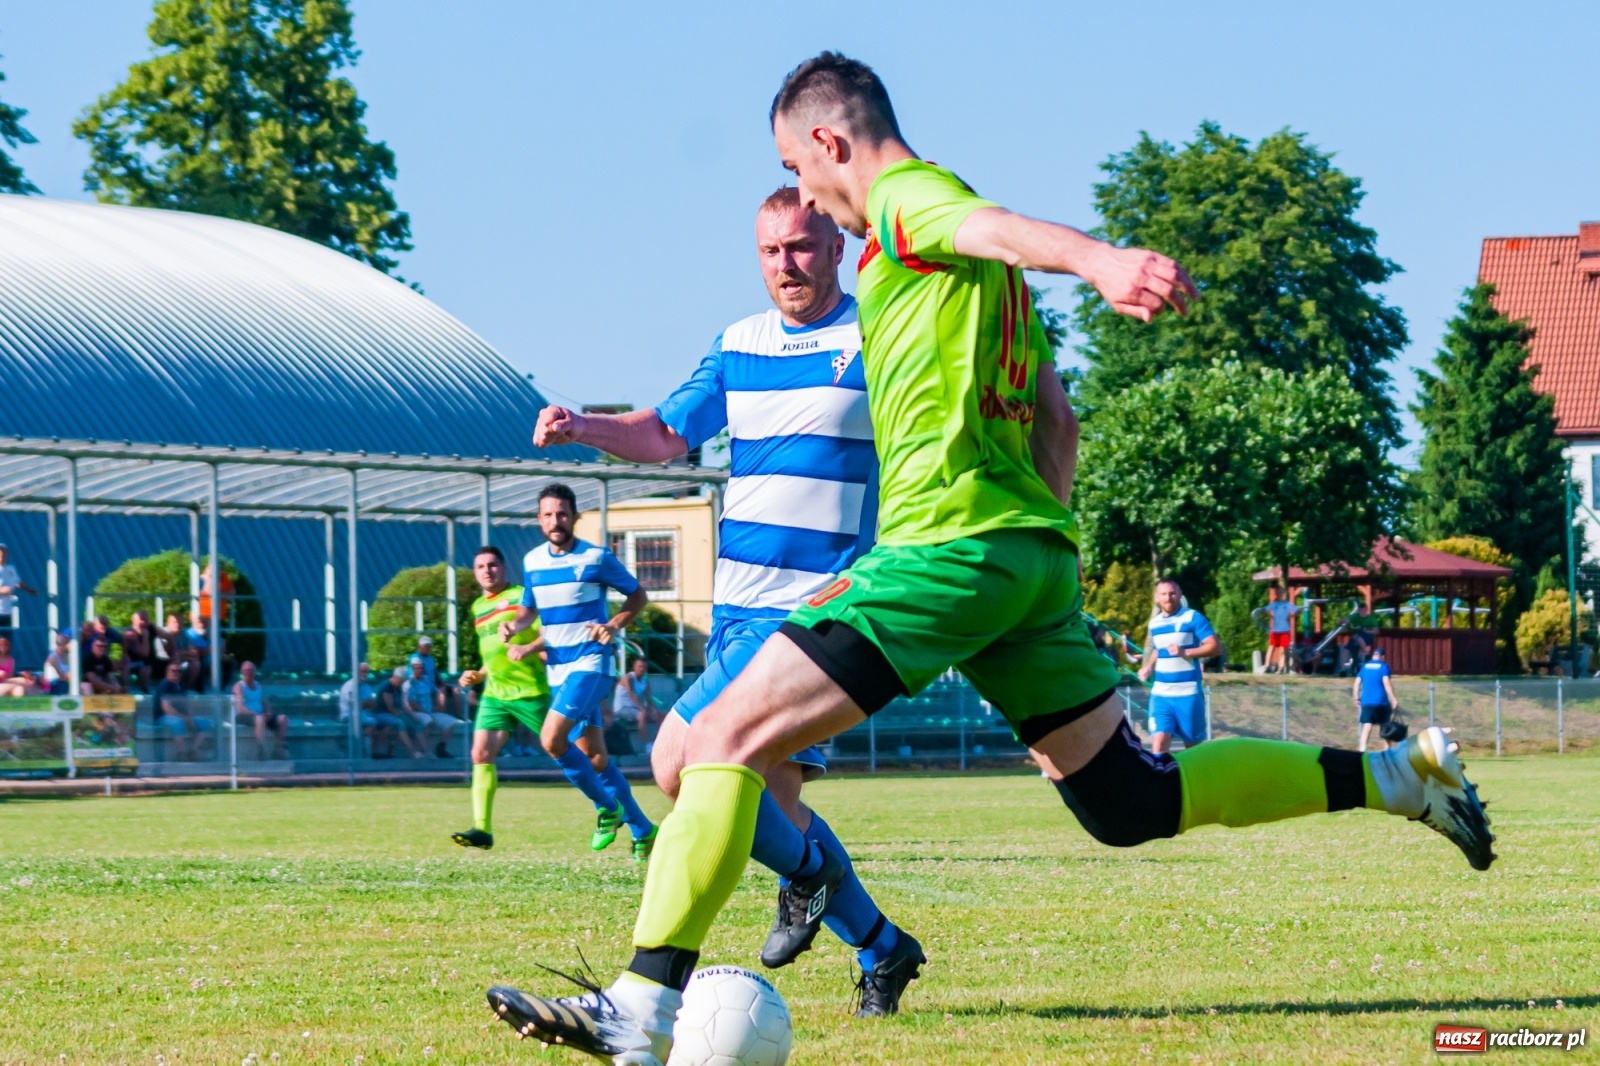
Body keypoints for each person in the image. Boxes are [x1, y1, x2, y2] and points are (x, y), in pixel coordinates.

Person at [486, 53, 1498, 1064]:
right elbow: (1057, 417)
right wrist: (1030, 573)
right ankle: (1398, 778)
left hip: (948, 554)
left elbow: (997, 224)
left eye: (799, 167)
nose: (804, 196)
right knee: (1129, 802)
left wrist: (1100, 258)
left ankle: (641, 1008)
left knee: (713, 742)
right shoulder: (974, 280)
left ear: (829, 143)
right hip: (1021, 560)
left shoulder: (906, 205)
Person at [529, 188, 918, 1014]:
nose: (788, 264)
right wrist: (582, 425)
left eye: (804, 248)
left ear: (836, 249)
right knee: (765, 812)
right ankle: (883, 947)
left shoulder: (877, 338)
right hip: (738, 614)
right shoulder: (738, 345)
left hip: (818, 613)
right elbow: (667, 434)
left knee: (682, 763)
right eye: (772, 251)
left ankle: (664, 982)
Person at [499, 484, 658, 859]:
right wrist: (516, 628)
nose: (556, 521)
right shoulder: (533, 561)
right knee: (597, 760)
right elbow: (530, 610)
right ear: (539, 520)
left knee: (552, 740)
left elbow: (638, 596)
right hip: (558, 670)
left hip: (592, 664)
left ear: (574, 516)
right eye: (549, 515)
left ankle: (607, 809)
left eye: (563, 513)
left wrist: (615, 624)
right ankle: (643, 828)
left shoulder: (596, 558)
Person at [451, 546, 552, 849]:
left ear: (504, 567)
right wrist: (480, 675)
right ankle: (482, 829)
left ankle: (615, 808)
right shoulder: (479, 606)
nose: (487, 570)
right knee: (480, 754)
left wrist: (529, 649)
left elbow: (549, 632)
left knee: (572, 752)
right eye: (480, 566)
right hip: (495, 693)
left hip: (529, 691)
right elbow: (494, 653)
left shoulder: (523, 596)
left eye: (493, 565)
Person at [1138, 580, 1220, 754]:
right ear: (1156, 597)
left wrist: (1186, 652)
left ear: (1180, 594)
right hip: (1161, 694)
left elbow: (1215, 647)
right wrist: (1148, 667)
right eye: (1164, 594)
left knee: (1192, 748)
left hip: (1187, 693)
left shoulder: (1193, 617)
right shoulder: (1154, 624)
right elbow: (1158, 649)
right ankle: (1161, 780)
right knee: (1159, 743)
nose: (1168, 598)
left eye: (1172, 593)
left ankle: (1195, 779)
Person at [153, 660, 214, 760]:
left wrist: (190, 718)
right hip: (162, 717)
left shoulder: (182, 686)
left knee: (205, 723)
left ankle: (193, 751)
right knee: (178, 723)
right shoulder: (164, 685)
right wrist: (185, 719)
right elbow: (166, 708)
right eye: (174, 671)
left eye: (179, 671)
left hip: (182, 717)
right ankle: (180, 754)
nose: (177, 673)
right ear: (167, 672)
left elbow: (187, 705)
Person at [231, 660, 287, 760]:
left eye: (251, 670)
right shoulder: (239, 687)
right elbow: (240, 708)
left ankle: (278, 748)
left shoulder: (258, 685)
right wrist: (256, 714)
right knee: (260, 719)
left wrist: (268, 712)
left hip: (259, 715)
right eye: (247, 670)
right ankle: (260, 749)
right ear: (242, 672)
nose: (249, 673)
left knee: (283, 719)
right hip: (243, 716)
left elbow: (264, 701)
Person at [405, 657, 459, 757]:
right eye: (416, 668)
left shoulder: (426, 679)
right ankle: (421, 751)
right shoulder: (410, 683)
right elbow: (412, 702)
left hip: (430, 711)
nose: (419, 670)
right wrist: (424, 712)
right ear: (412, 669)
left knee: (452, 722)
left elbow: (437, 691)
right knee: (428, 720)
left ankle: (441, 748)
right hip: (417, 712)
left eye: (420, 668)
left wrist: (439, 705)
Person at [612, 658, 663, 752]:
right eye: (640, 666)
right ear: (634, 667)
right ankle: (647, 745)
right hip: (622, 709)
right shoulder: (628, 678)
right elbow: (632, 694)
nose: (642, 669)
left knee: (661, 715)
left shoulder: (646, 682)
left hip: (635, 709)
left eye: (644, 667)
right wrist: (642, 709)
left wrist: (653, 710)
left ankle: (658, 743)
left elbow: (648, 698)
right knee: (642, 715)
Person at [1354, 647, 1399, 752]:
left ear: (1373, 656)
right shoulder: (1384, 667)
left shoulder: (1364, 666)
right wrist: (1393, 699)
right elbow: (1386, 683)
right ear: (1382, 657)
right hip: (1381, 701)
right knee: (1385, 725)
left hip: (1366, 701)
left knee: (1367, 724)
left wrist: (1356, 697)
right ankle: (1387, 750)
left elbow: (1356, 683)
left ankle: (1362, 748)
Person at [376, 667, 422, 758]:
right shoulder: (387, 686)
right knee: (399, 723)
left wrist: (412, 716)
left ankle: (423, 750)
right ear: (396, 678)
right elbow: (390, 707)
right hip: (382, 714)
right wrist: (399, 716)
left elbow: (402, 705)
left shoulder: (398, 688)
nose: (402, 683)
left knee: (414, 722)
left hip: (394, 713)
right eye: (402, 681)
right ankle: (412, 751)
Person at [1259, 586, 1302, 675]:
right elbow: (1264, 610)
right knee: (1271, 647)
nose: (1280, 594)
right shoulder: (1274, 604)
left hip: (1285, 630)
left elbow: (1298, 610)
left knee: (1283, 649)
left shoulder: (1287, 604)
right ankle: (1267, 666)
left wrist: (1290, 616)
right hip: (1275, 630)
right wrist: (1271, 616)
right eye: (1278, 593)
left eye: (1281, 593)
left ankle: (1281, 668)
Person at [0, 544, 36, 639]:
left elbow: (18, 582)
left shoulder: (10, 569)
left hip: (7, 612)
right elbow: (5, 590)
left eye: (4, 552)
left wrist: (28, 590)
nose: (2, 555)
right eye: (0, 552)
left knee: (6, 640)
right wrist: (3, 590)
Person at [120, 610, 156, 693]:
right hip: (131, 661)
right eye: (141, 619)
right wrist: (146, 636)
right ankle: (124, 690)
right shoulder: (130, 634)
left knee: (147, 666)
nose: (143, 622)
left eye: (145, 619)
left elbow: (166, 635)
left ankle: (145, 689)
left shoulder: (151, 628)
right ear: (134, 621)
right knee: (126, 666)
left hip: (147, 662)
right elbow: (144, 653)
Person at [410, 635, 443, 713]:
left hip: (431, 683)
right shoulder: (415, 657)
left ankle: (440, 711)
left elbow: (434, 670)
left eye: (429, 646)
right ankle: (434, 712)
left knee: (446, 689)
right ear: (420, 646)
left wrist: (440, 681)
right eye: (426, 646)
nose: (428, 648)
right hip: (422, 683)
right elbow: (416, 673)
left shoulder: (430, 657)